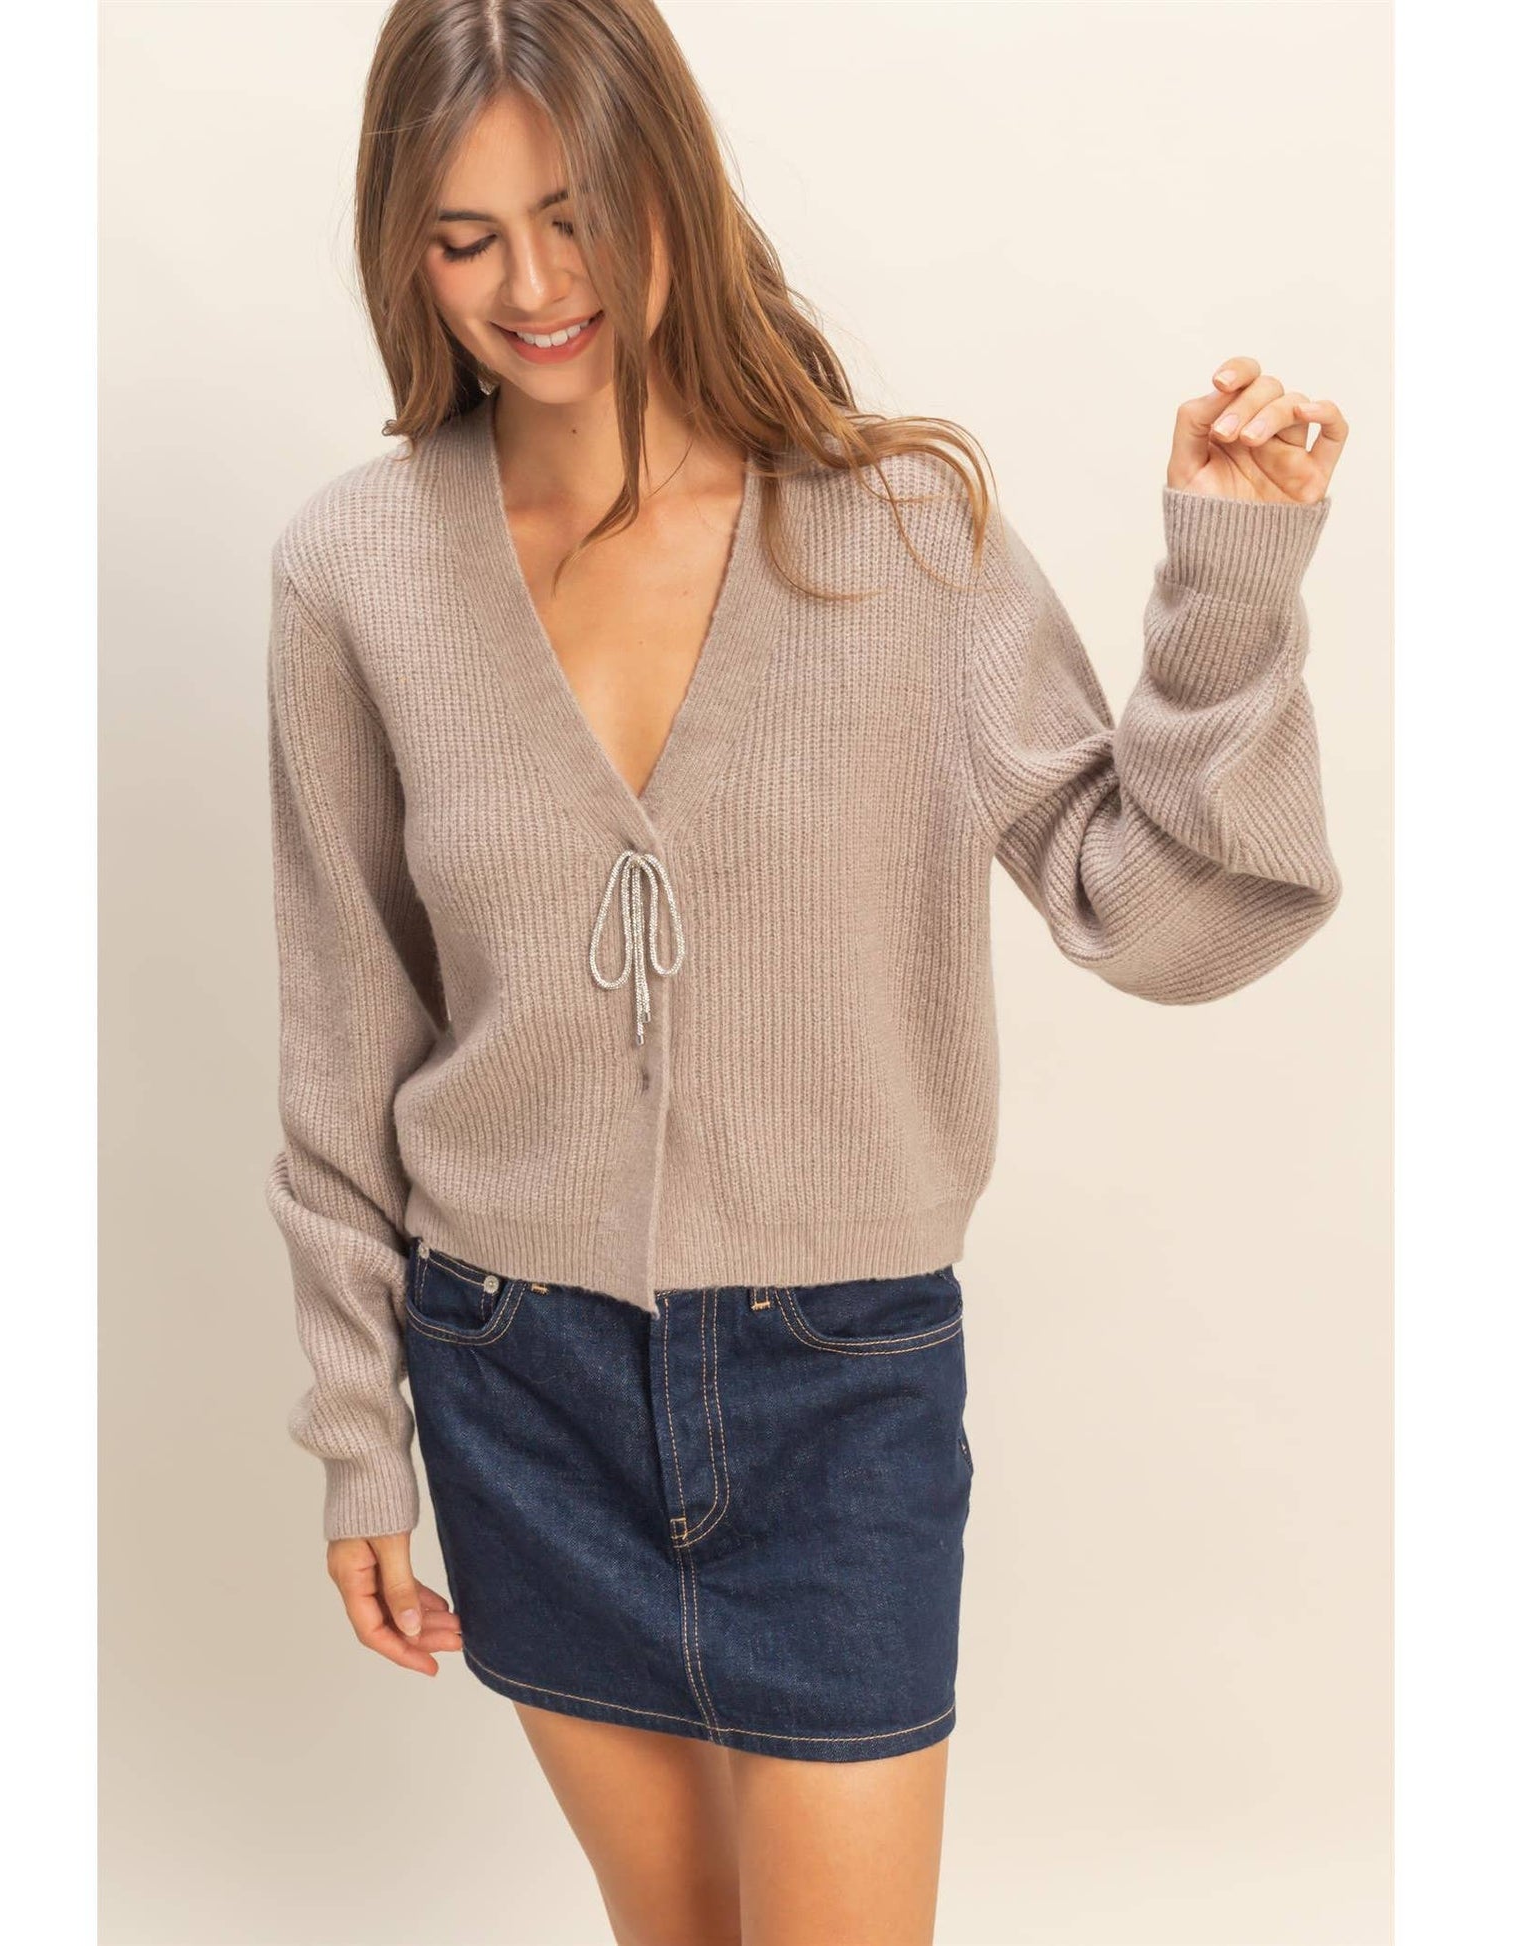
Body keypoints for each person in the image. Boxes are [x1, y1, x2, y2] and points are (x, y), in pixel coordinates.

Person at [260, 2, 1349, 1941]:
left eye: (577, 215)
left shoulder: (901, 532)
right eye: (465, 236)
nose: (534, 287)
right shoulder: (355, 570)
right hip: (513, 1371)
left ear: (672, 190)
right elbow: (350, 1029)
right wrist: (360, 1438)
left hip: (837, 1382)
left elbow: (1159, 910)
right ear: (400, 251)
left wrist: (1226, 586)